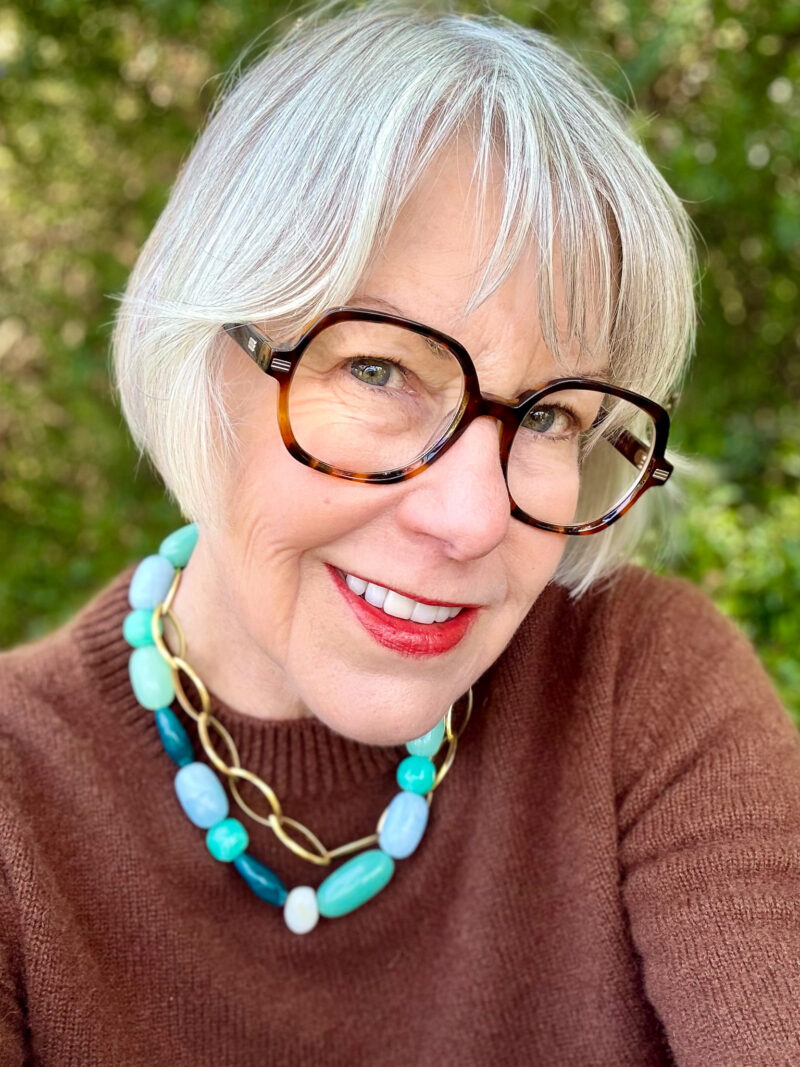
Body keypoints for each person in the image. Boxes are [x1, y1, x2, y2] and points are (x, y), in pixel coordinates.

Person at [2, 2, 799, 1063]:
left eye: (550, 414)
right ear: (205, 351)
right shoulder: (20, 801)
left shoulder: (636, 689)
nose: (470, 519)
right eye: (377, 369)